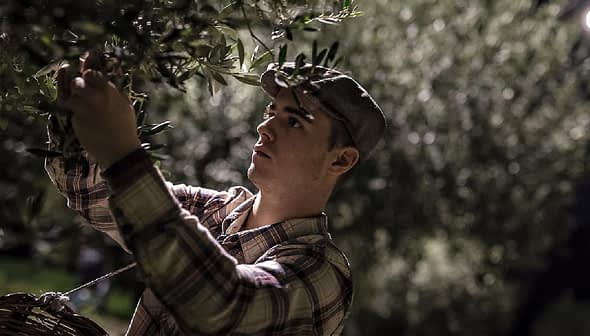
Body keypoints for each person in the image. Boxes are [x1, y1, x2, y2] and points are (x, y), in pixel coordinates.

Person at [45, 58, 386, 335]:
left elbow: (224, 307)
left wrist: (123, 154)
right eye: (271, 113)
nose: (264, 128)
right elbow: (92, 193)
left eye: (294, 121)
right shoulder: (213, 210)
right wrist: (75, 110)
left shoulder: (322, 271)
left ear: (340, 159)